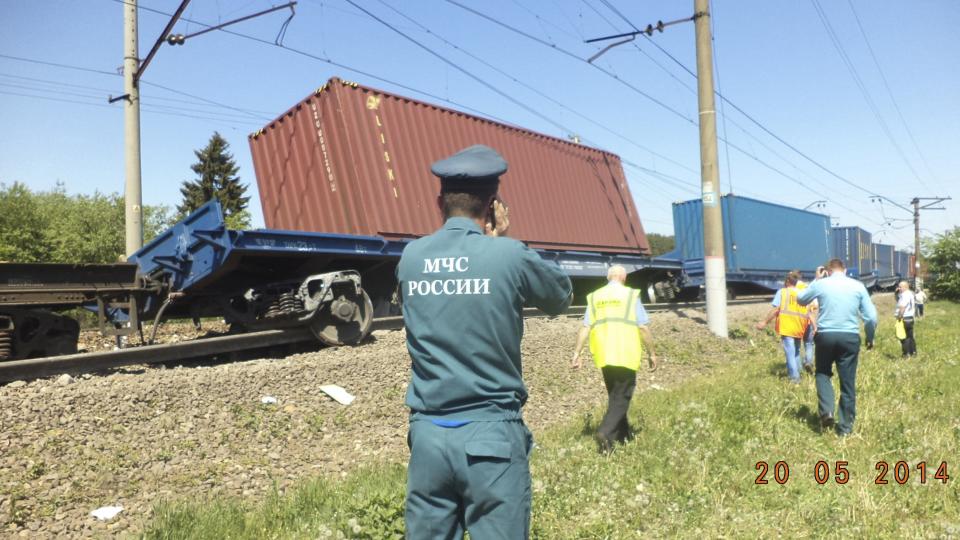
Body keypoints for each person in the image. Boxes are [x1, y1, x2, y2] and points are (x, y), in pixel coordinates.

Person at [397, 144, 573, 539]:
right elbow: (560, 298)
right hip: (491, 437)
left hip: (429, 436)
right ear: (492, 205)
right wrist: (505, 240)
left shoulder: (411, 257)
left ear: (439, 202)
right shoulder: (509, 255)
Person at [571, 265, 658, 453]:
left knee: (615, 395)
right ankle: (605, 431)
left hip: (604, 352)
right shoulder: (630, 295)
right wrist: (652, 353)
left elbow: (586, 327)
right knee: (623, 395)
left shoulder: (595, 296)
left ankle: (622, 435)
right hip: (625, 351)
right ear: (624, 278)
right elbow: (643, 328)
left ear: (609, 278)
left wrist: (577, 352)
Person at [797, 258, 878, 436]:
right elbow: (871, 317)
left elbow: (801, 299)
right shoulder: (857, 286)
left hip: (825, 336)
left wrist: (816, 280)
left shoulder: (821, 284)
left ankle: (827, 411)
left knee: (822, 373)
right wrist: (870, 337)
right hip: (850, 337)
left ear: (827, 270)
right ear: (845, 269)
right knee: (847, 383)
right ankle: (845, 428)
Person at [755, 272, 811, 383]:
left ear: (787, 282)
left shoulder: (782, 292)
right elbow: (809, 311)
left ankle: (795, 378)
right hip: (799, 326)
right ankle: (799, 372)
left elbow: (776, 310)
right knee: (796, 351)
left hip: (787, 325)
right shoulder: (802, 293)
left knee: (790, 352)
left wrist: (764, 322)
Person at [795, 270, 820, 375]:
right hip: (807, 320)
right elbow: (814, 305)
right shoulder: (807, 288)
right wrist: (815, 326)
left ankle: (798, 369)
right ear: (801, 277)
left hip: (795, 321)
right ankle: (808, 361)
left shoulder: (790, 289)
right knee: (809, 343)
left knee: (796, 346)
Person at [895, 280, 917, 358]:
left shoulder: (905, 295)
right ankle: (913, 352)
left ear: (905, 287)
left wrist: (899, 317)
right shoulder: (909, 294)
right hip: (910, 318)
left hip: (904, 318)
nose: (899, 288)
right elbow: (898, 300)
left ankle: (906, 354)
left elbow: (902, 307)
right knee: (910, 336)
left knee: (903, 337)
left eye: (900, 287)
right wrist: (896, 293)